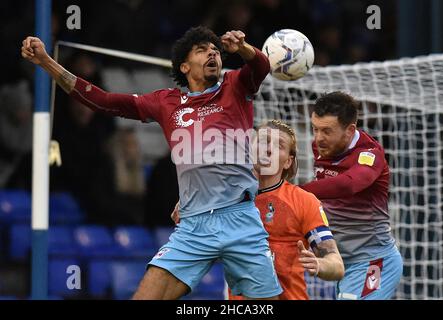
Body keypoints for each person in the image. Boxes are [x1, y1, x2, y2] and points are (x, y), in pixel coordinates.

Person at [21, 26, 282, 300]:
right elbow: (102, 101)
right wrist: (46, 62)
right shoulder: (165, 102)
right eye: (203, 50)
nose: (213, 54)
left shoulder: (236, 87)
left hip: (240, 218)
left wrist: (242, 48)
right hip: (194, 226)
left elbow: (260, 65)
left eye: (216, 51)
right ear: (184, 66)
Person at [172, 119, 345, 300]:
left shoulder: (303, 201)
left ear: (288, 161)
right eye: (263, 142)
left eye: (279, 145)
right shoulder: (223, 198)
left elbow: (337, 264)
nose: (268, 149)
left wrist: (319, 264)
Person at [301, 91, 403, 300]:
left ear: (350, 130)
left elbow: (350, 185)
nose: (319, 138)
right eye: (315, 129)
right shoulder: (321, 147)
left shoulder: (370, 154)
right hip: (340, 262)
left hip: (373, 260)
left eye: (327, 131)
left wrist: (297, 192)